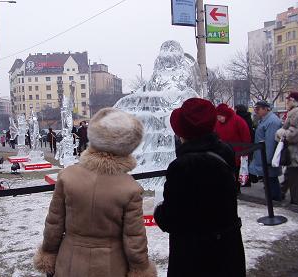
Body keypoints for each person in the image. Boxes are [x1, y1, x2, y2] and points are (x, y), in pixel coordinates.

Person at [33, 108, 156, 277]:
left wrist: (48, 253)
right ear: (129, 145)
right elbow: (134, 239)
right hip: (111, 264)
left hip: (69, 261)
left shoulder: (68, 177)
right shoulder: (130, 188)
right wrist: (140, 269)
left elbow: (54, 225)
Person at [154, 98, 246, 277]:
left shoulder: (182, 167)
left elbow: (170, 218)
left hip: (194, 257)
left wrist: (158, 211)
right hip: (228, 250)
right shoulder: (225, 152)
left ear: (182, 132)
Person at [249, 100, 282, 201]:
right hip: (262, 154)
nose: (256, 111)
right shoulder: (265, 119)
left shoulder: (272, 121)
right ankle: (273, 200)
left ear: (265, 109)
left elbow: (270, 142)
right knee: (269, 179)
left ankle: (275, 201)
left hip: (267, 156)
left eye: (258, 109)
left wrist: (267, 159)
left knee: (271, 179)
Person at [215, 103, 251, 192]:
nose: (219, 118)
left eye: (220, 116)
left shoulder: (238, 120)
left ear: (225, 114)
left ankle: (236, 190)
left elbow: (246, 136)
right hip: (223, 154)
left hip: (237, 153)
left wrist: (245, 152)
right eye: (217, 117)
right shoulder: (217, 124)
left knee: (235, 173)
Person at [276, 92, 298, 205]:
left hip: (294, 153)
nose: (287, 102)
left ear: (293, 100)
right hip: (293, 153)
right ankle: (281, 193)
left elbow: (293, 133)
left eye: (288, 100)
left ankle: (294, 202)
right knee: (289, 175)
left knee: (293, 177)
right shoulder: (292, 112)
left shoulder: (295, 113)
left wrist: (281, 133)